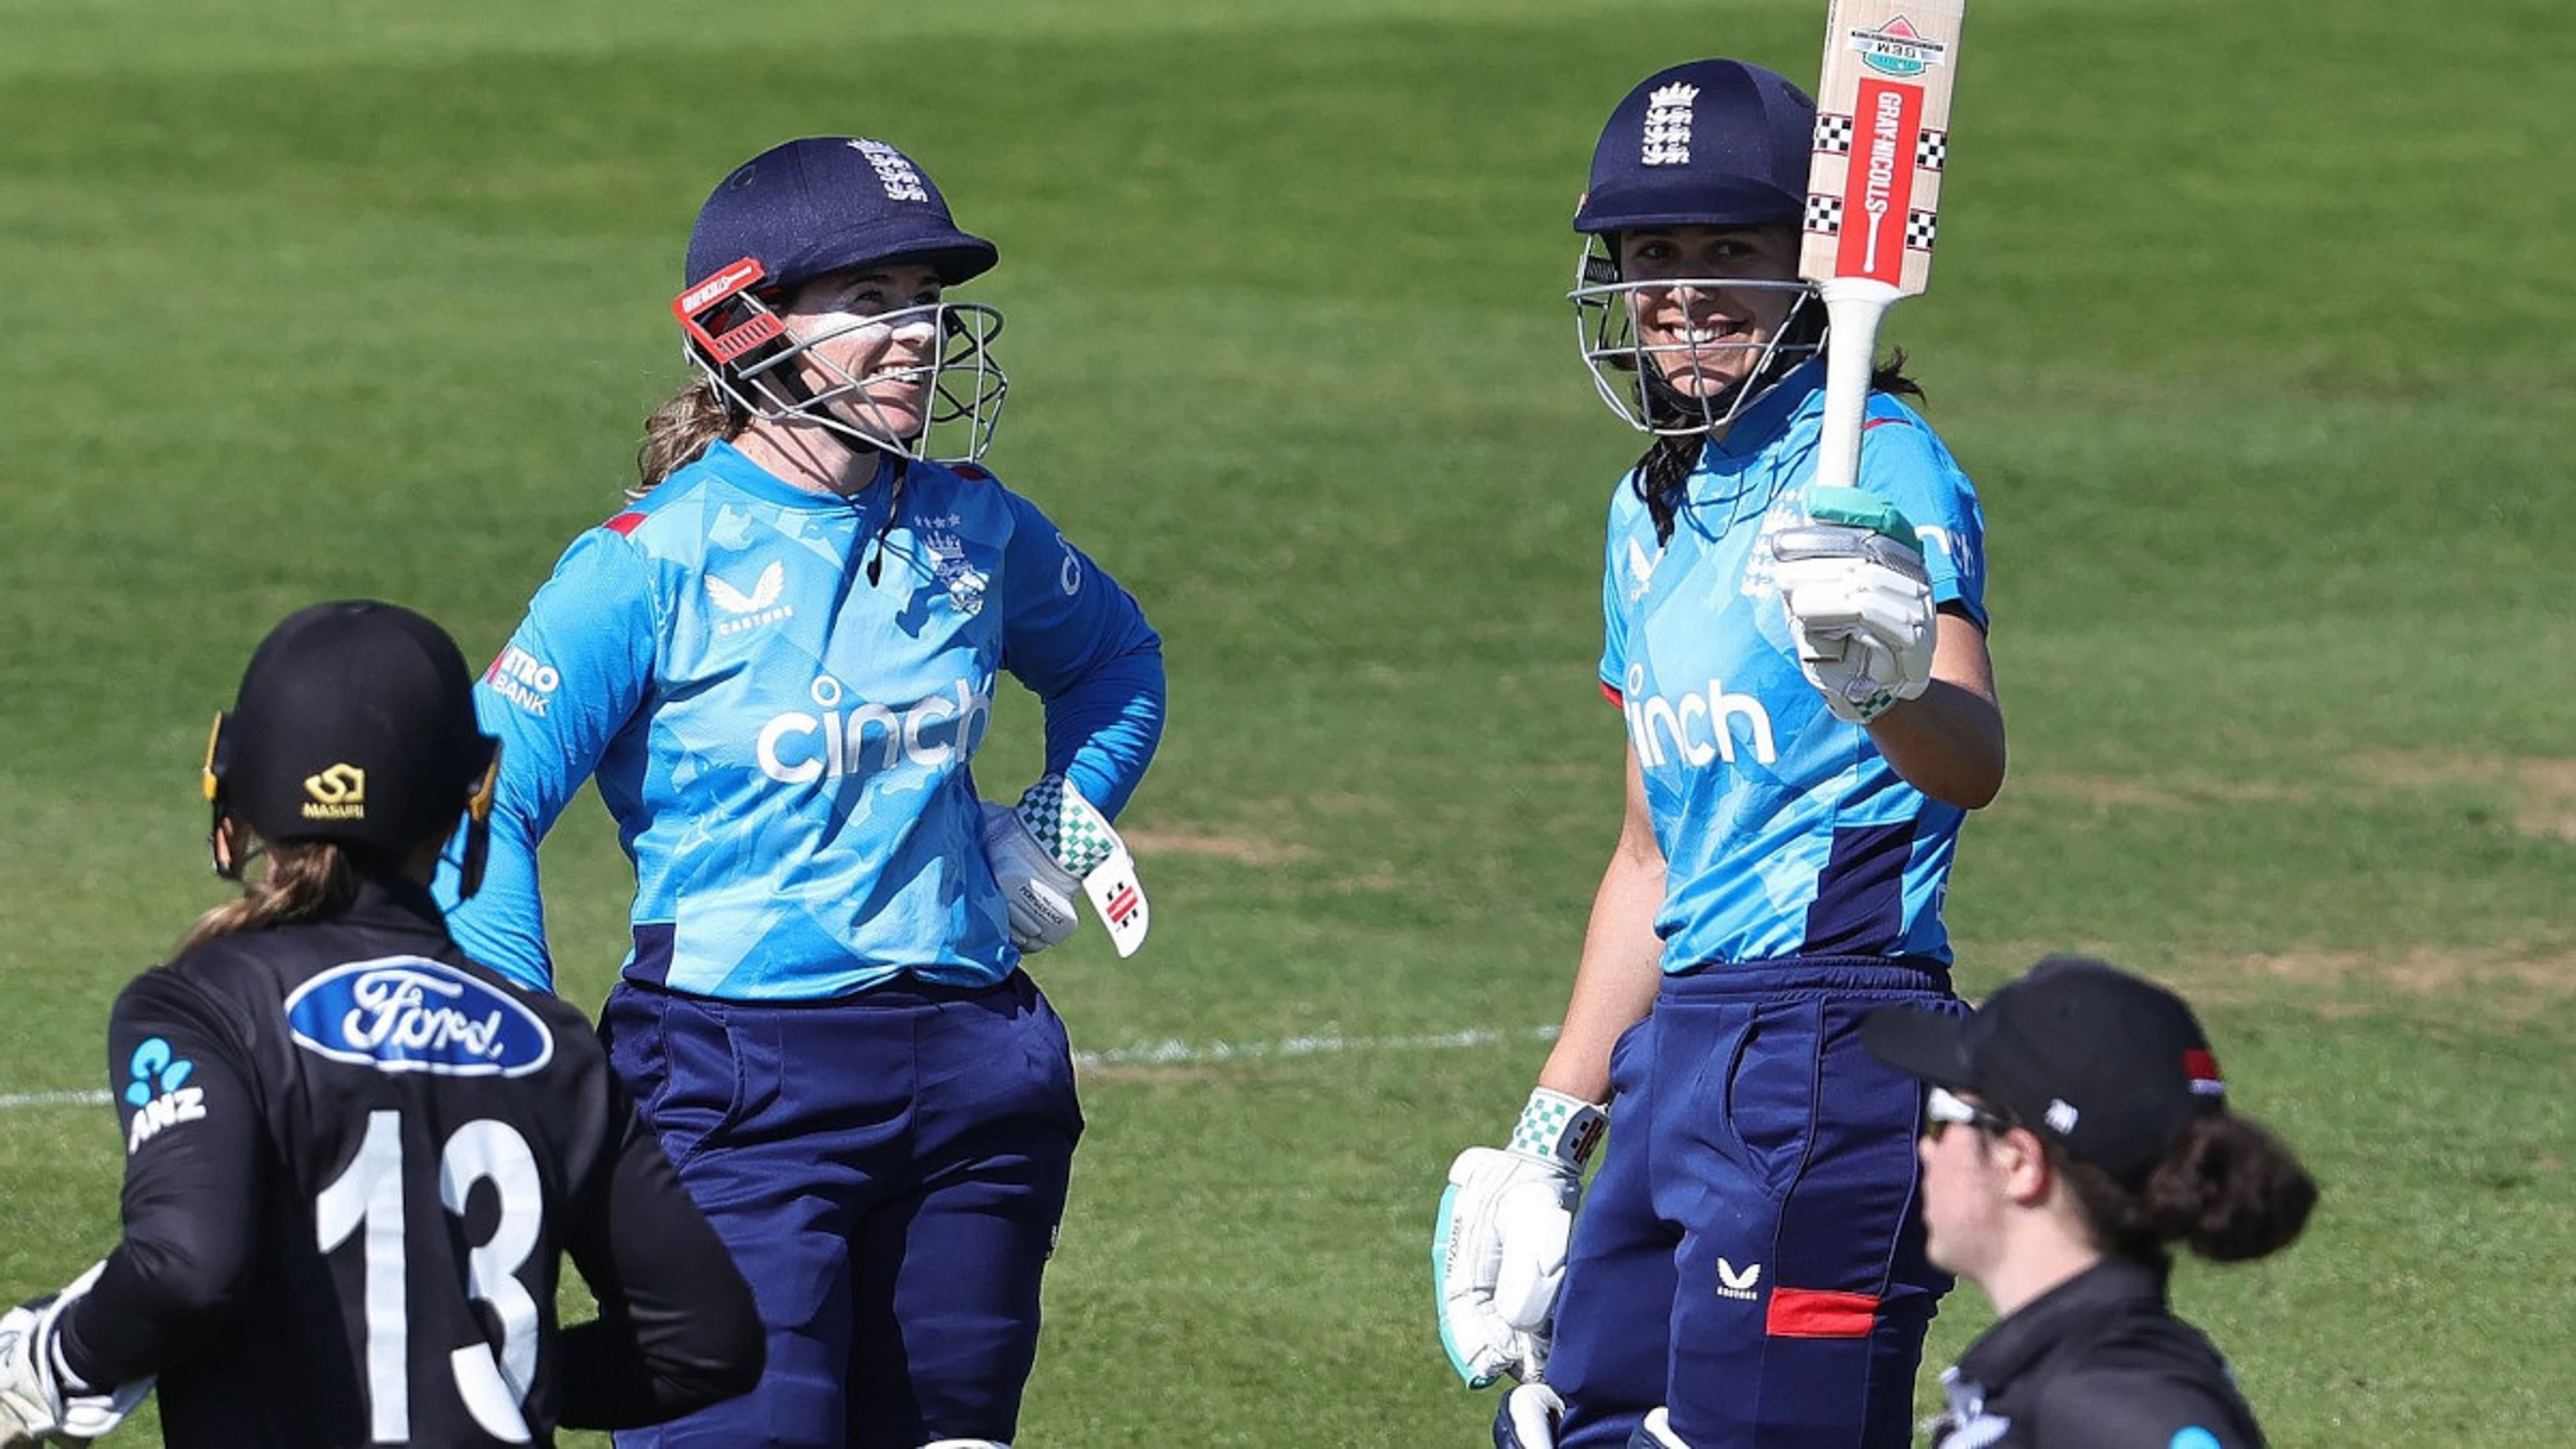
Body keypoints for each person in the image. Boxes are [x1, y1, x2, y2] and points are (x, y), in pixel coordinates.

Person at [442, 135, 1166, 1449]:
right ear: (746, 327)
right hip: (731, 1096)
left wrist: (1064, 815)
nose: (919, 335)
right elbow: (475, 815)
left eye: (926, 300)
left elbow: (1117, 660)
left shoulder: (978, 527)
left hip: (976, 1086)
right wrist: (527, 1064)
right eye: (872, 300)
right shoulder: (645, 567)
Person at [1434, 58, 2007, 1448]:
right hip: (1682, 1049)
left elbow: (1973, 754)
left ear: (1805, 270)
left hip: (1835, 1039)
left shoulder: (1881, 463)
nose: (1684, 291)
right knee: (1576, 1418)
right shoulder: (1649, 510)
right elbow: (1648, 854)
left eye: (1729, 253)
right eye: (1653, 254)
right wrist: (1550, 1132)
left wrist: (1885, 688)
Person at [0, 600, 765, 1448]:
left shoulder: (199, 1005)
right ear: (467, 799)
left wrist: (49, 1361)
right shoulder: (551, 1044)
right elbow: (708, 1339)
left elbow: (186, 1268)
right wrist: (496, 1375)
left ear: (237, 788)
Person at [1862, 955, 2319, 1448]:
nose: (1927, 1148)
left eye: (1943, 1117)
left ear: (2019, 1162)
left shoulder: (2113, 1403)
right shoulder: (2068, 1379)